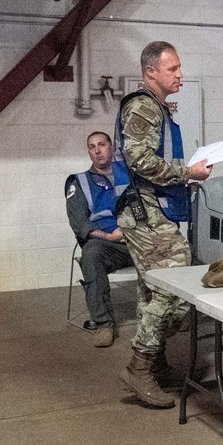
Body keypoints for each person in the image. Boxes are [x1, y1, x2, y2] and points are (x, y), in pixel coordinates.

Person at [114, 41, 212, 409]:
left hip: (154, 211)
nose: (180, 74)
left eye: (179, 67)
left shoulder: (157, 108)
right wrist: (188, 172)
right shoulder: (143, 106)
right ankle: (139, 367)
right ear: (151, 72)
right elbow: (139, 160)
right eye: (172, 69)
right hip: (147, 214)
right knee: (173, 289)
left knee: (152, 292)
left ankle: (155, 365)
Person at [65, 131, 135, 347]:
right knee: (91, 254)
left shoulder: (131, 176)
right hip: (107, 245)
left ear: (111, 147)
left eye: (102, 144)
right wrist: (109, 236)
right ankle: (104, 324)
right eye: (92, 146)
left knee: (177, 246)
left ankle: (174, 315)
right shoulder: (79, 183)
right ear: (88, 152)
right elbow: (80, 224)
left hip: (139, 239)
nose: (97, 150)